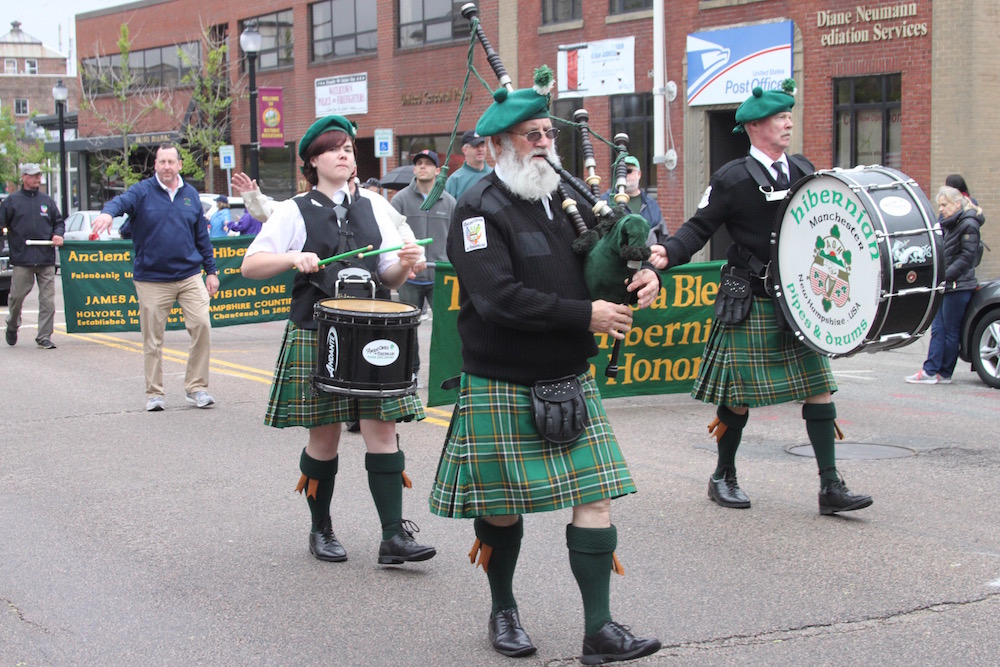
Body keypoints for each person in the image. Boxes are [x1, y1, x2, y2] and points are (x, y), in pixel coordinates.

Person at [428, 68, 662, 664]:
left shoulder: (564, 199)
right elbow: (496, 298)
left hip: (570, 375)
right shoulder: (477, 210)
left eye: (547, 133)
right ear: (498, 145)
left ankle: (599, 630)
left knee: (597, 498)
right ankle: (503, 608)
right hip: (503, 378)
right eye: (530, 135)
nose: (543, 143)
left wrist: (641, 274)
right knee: (502, 508)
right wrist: (585, 314)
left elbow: (604, 258)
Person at [648, 80, 872, 516]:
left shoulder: (803, 169)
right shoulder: (731, 179)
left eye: (789, 115)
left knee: (819, 389)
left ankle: (830, 486)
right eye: (778, 118)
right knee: (737, 397)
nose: (788, 123)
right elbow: (699, 226)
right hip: (749, 298)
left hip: (798, 301)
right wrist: (669, 252)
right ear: (754, 126)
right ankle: (723, 475)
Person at [239, 115, 436, 566]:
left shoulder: (375, 206)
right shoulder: (294, 210)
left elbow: (388, 275)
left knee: (383, 431)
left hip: (373, 332)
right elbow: (251, 264)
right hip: (317, 332)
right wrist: (293, 257)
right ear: (313, 160)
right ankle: (321, 528)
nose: (345, 155)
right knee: (324, 438)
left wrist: (406, 264)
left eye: (348, 148)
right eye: (334, 149)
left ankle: (393, 537)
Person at [91, 145, 220, 412]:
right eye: (162, 162)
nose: (167, 166)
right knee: (152, 339)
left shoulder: (191, 195)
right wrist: (107, 213)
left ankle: (196, 387)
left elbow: (202, 238)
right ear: (155, 165)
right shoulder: (142, 191)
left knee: (202, 326)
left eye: (171, 161)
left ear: (180, 165)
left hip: (189, 275)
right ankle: (154, 393)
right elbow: (120, 202)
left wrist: (211, 272)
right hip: (152, 278)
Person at [905, 186, 981, 384]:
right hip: (947, 284)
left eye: (945, 205)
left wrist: (945, 275)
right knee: (940, 328)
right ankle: (936, 371)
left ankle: (938, 371)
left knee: (947, 330)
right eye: (939, 205)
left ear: (957, 204)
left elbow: (967, 257)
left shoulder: (968, 224)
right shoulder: (948, 224)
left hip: (957, 286)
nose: (941, 209)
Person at [390, 149, 455, 378]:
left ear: (437, 170)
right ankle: (411, 372)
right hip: (409, 277)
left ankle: (444, 376)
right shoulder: (400, 200)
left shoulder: (450, 202)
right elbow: (391, 235)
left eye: (428, 163)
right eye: (418, 163)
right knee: (407, 328)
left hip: (440, 277)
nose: (422, 167)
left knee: (446, 329)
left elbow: (456, 239)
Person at [2, 163, 64, 349]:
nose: (37, 178)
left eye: (39, 175)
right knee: (16, 298)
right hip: (23, 259)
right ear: (23, 177)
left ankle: (44, 336)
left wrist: (58, 234)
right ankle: (12, 324)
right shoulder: (12, 201)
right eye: (33, 175)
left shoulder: (47, 201)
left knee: (47, 301)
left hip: (45, 258)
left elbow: (58, 222)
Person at [601, 156, 667, 244]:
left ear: (639, 174)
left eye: (628, 171)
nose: (623, 175)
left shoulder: (652, 205)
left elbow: (663, 237)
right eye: (620, 172)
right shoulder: (605, 202)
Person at [444, 129, 492, 200]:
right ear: (464, 150)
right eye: (475, 146)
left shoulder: (496, 175)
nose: (480, 149)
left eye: (482, 145)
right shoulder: (455, 180)